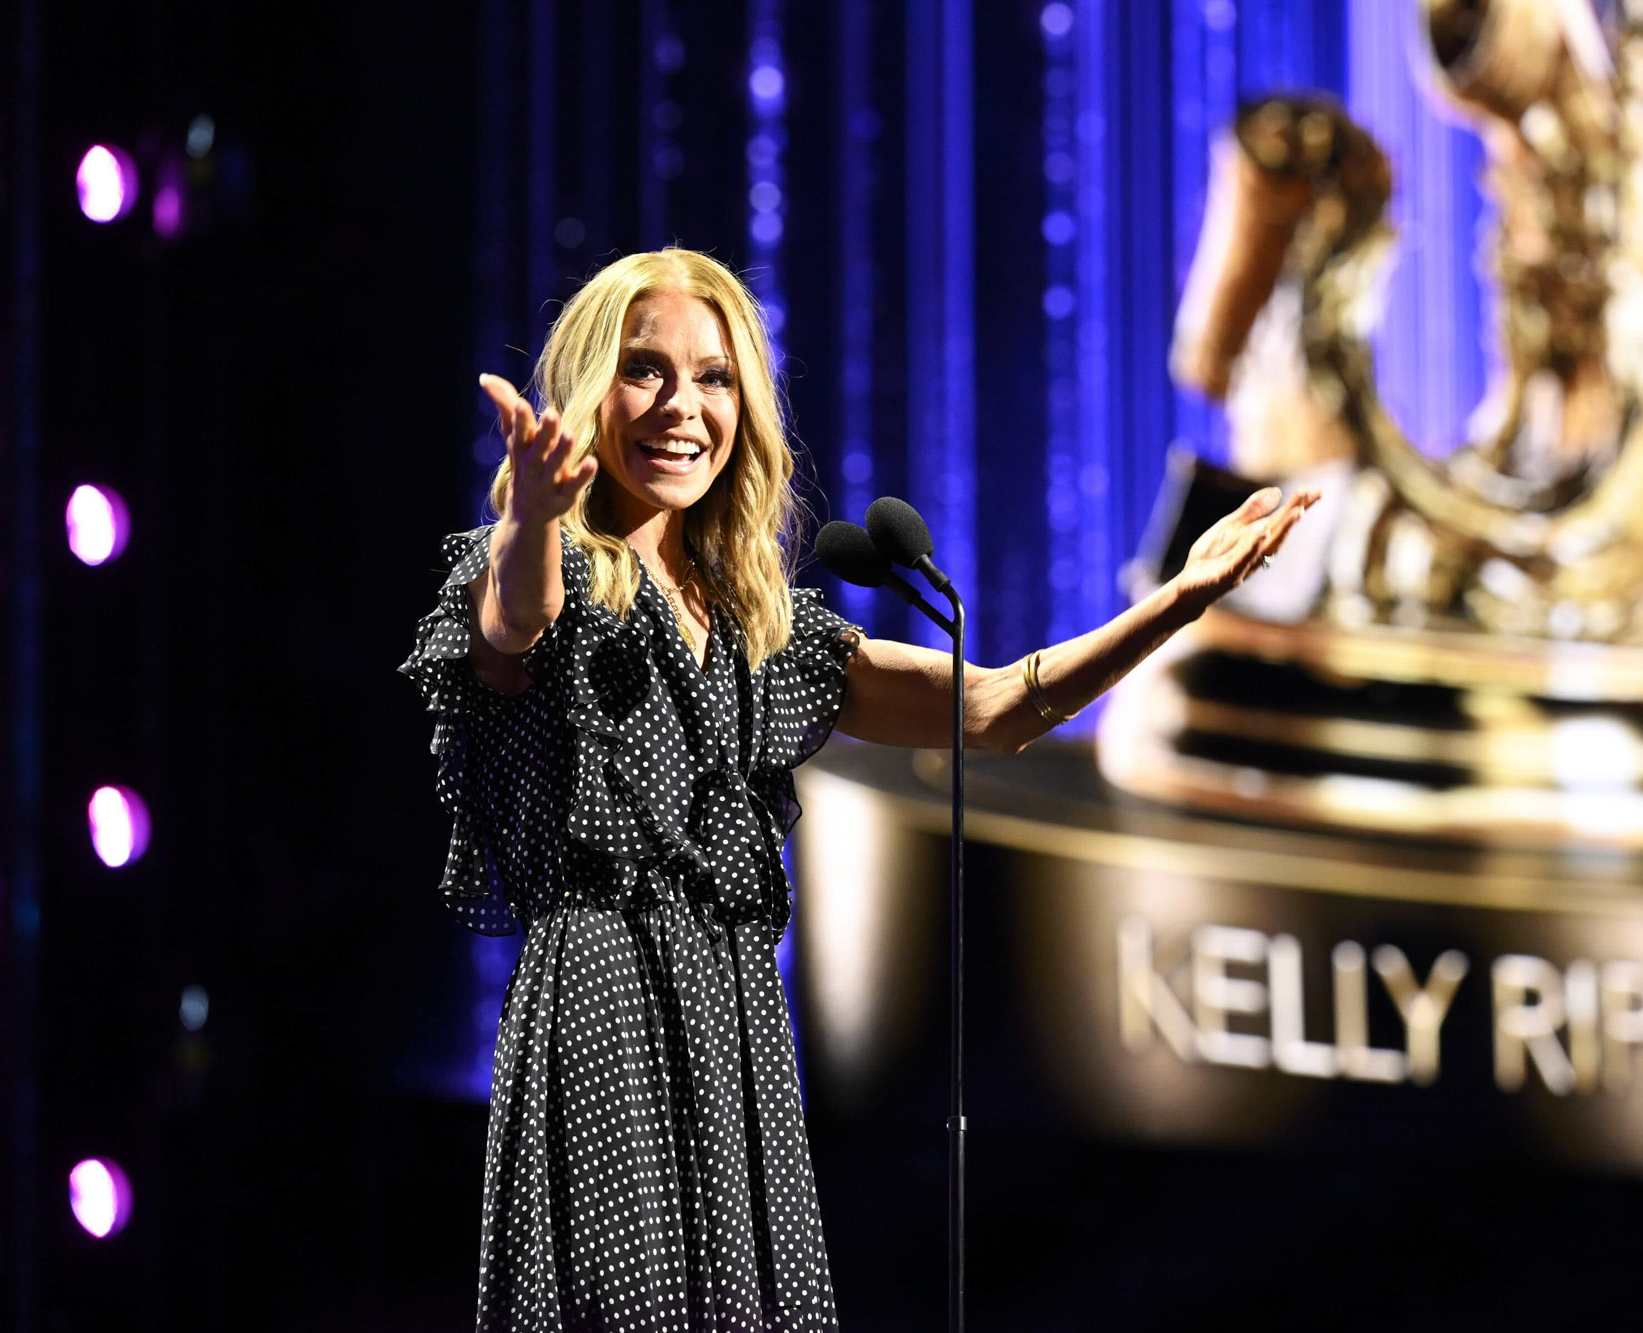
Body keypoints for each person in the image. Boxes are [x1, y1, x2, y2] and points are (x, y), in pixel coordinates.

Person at [399, 247, 1316, 1332]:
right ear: (594, 390)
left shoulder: (767, 631)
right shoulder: (528, 567)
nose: (681, 406)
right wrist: (535, 520)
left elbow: (990, 708)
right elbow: (514, 631)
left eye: (715, 376)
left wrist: (1176, 601)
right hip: (603, 998)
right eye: (645, 370)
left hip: (734, 1015)